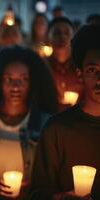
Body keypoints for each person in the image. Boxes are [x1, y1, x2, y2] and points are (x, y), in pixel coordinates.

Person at [0, 46, 58, 199]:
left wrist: (35, 186)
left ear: (32, 83)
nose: (16, 86)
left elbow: (52, 174)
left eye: (24, 79)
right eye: (9, 79)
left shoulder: (45, 123)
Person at [30, 24, 100, 200]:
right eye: (93, 70)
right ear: (80, 74)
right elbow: (38, 192)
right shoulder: (57, 129)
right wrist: (60, 198)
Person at [47, 17, 83, 110]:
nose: (62, 36)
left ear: (73, 36)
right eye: (57, 33)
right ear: (48, 36)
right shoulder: (42, 67)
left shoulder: (81, 65)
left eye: (67, 33)